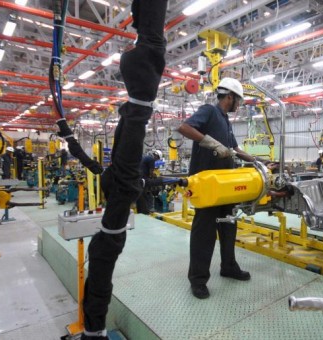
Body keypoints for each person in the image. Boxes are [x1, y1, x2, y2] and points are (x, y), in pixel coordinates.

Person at [81, 1, 168, 339]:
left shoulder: (123, 179)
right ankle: (93, 331)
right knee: (151, 38)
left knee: (153, 38)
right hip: (137, 86)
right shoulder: (122, 176)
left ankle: (94, 331)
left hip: (139, 82)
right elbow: (128, 147)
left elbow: (126, 149)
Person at [177, 77, 260, 300]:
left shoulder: (225, 120)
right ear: (230, 97)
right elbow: (184, 127)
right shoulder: (209, 111)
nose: (239, 106)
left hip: (226, 184)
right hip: (207, 185)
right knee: (204, 232)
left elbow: (233, 147)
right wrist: (212, 144)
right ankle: (198, 279)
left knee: (229, 225)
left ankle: (229, 266)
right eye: (238, 101)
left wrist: (255, 160)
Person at [135, 150, 161, 214]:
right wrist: (155, 177)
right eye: (157, 159)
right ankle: (150, 209)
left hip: (138, 178)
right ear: (156, 156)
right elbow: (151, 172)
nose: (156, 161)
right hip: (143, 179)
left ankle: (142, 209)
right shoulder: (151, 159)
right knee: (148, 194)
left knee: (142, 194)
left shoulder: (146, 157)